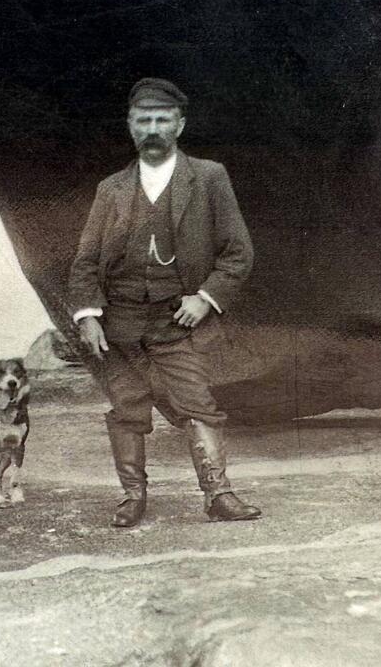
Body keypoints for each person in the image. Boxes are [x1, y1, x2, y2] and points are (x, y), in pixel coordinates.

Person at [70, 78, 261, 526]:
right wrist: (87, 315)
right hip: (119, 321)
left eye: (162, 119)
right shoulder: (111, 189)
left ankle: (219, 495)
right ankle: (132, 497)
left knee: (197, 403)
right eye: (143, 120)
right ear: (130, 126)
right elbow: (85, 260)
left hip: (176, 319)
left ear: (180, 124)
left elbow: (239, 251)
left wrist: (206, 298)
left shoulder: (209, 177)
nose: (152, 128)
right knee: (127, 406)